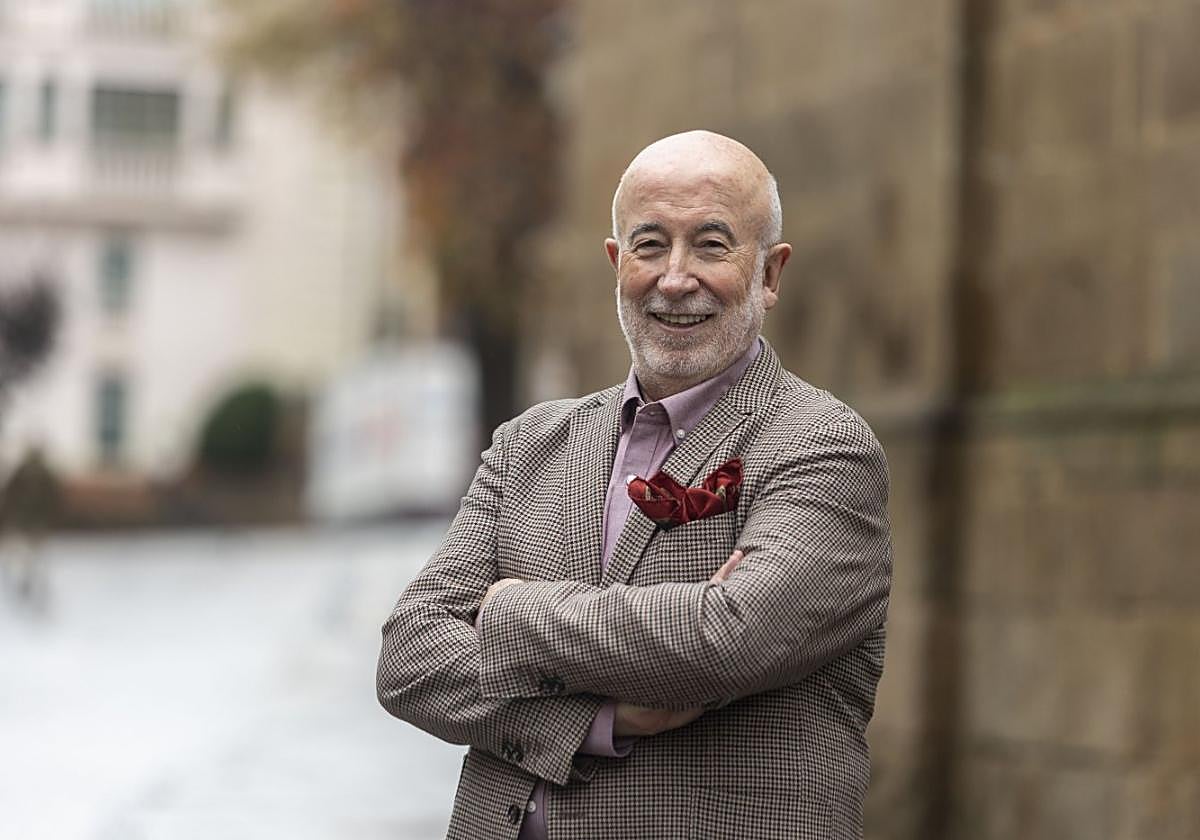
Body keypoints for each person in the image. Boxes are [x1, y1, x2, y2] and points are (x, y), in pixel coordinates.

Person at [377, 130, 892, 839]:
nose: (675, 278)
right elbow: (409, 658)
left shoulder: (823, 446)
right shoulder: (528, 445)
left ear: (770, 274)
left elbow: (726, 639)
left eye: (711, 245)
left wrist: (509, 609)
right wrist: (599, 719)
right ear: (618, 264)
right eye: (650, 245)